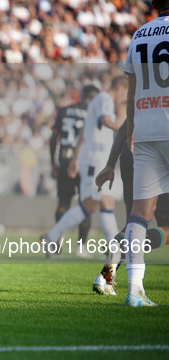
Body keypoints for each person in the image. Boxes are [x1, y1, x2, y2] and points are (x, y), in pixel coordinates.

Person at [118, 0, 169, 306]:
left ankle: (134, 290)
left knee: (139, 214)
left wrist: (131, 132)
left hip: (147, 131)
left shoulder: (139, 35)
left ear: (152, 2)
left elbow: (131, 92)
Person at [41, 76, 127, 256]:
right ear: (120, 87)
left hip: (96, 160)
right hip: (94, 161)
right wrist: (122, 121)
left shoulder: (100, 101)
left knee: (105, 201)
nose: (124, 99)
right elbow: (106, 121)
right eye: (125, 93)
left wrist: (75, 159)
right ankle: (52, 236)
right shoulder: (104, 99)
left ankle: (113, 247)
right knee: (90, 205)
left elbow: (83, 131)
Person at [93, 120, 169, 296]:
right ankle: (119, 253)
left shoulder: (142, 93)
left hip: (130, 154)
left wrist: (110, 164)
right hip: (159, 154)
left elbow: (122, 129)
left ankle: (105, 276)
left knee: (134, 223)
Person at [49, 85, 99, 254]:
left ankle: (55, 242)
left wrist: (53, 162)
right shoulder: (93, 113)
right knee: (85, 203)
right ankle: (81, 246)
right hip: (84, 162)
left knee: (63, 202)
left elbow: (53, 137)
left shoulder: (64, 110)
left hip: (64, 161)